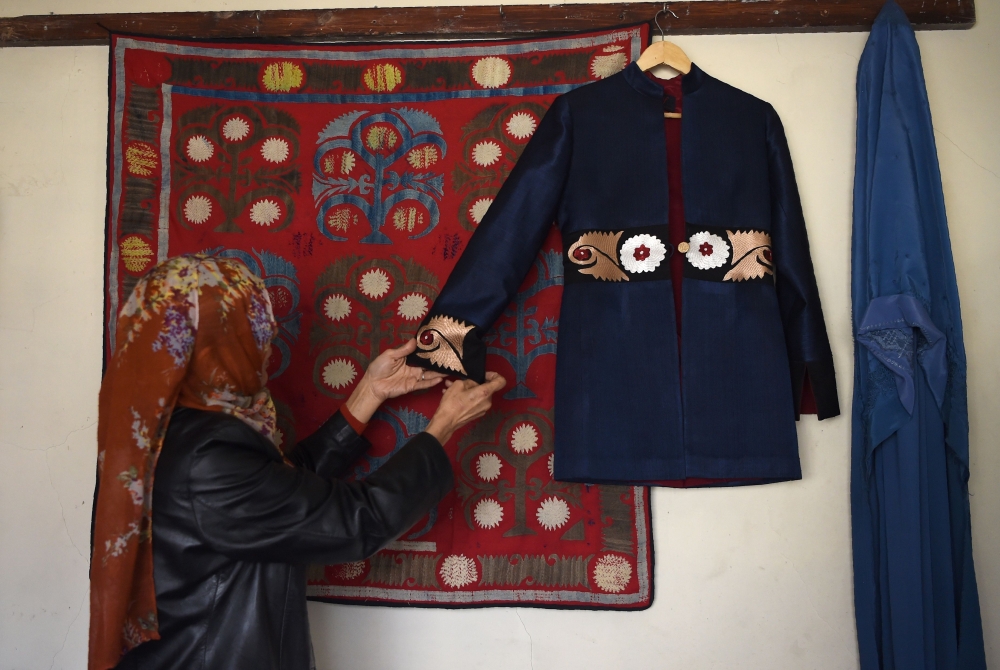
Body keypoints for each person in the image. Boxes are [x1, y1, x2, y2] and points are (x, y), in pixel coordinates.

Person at [88, 255, 506, 670]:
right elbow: (357, 521)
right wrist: (445, 424)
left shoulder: (169, 436)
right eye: (252, 329)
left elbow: (278, 491)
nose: (265, 342)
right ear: (220, 343)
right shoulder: (204, 461)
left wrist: (368, 393)